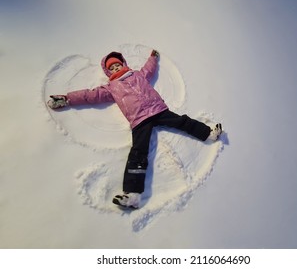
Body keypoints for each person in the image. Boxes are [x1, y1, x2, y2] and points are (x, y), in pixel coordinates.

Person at [47, 49, 222, 209]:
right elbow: (90, 95)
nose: (116, 68)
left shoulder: (138, 75)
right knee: (138, 152)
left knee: (182, 122)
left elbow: (149, 69)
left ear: (123, 64)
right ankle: (133, 195)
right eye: (112, 67)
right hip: (139, 120)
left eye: (117, 64)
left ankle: (208, 133)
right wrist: (67, 98)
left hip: (158, 110)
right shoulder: (111, 87)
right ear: (108, 72)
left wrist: (152, 58)